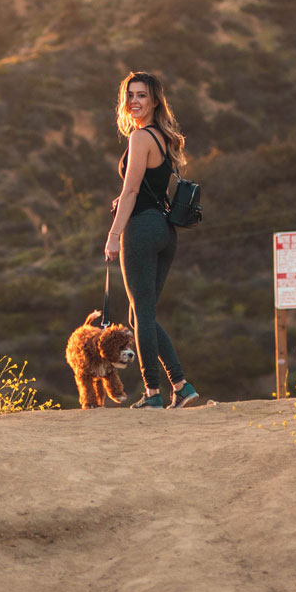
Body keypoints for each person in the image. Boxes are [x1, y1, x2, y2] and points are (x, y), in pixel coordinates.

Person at [103, 70, 200, 410]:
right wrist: (125, 199)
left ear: (155, 100)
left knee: (142, 316)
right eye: (130, 95)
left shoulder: (140, 138)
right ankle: (181, 386)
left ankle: (152, 393)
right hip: (164, 231)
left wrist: (114, 236)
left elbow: (132, 192)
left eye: (141, 95)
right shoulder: (164, 138)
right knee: (140, 315)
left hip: (142, 231)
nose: (134, 101)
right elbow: (147, 187)